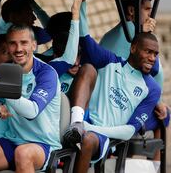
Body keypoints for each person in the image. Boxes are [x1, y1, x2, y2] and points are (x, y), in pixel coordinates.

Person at [63, 32, 163, 173]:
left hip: (101, 133)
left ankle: (77, 128)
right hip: (80, 118)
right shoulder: (111, 60)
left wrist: (89, 127)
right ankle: (76, 123)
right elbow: (84, 35)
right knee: (88, 68)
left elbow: (129, 131)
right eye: (148, 52)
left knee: (87, 139)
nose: (153, 58)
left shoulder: (152, 88)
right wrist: (78, 11)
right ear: (133, 48)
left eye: (155, 54)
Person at [0, 24, 62, 172]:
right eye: (13, 43)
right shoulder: (4, 70)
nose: (18, 49)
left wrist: (1, 88)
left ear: (34, 45)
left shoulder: (46, 73)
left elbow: (32, 111)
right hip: (11, 140)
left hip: (41, 144)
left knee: (23, 154)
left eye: (24, 42)